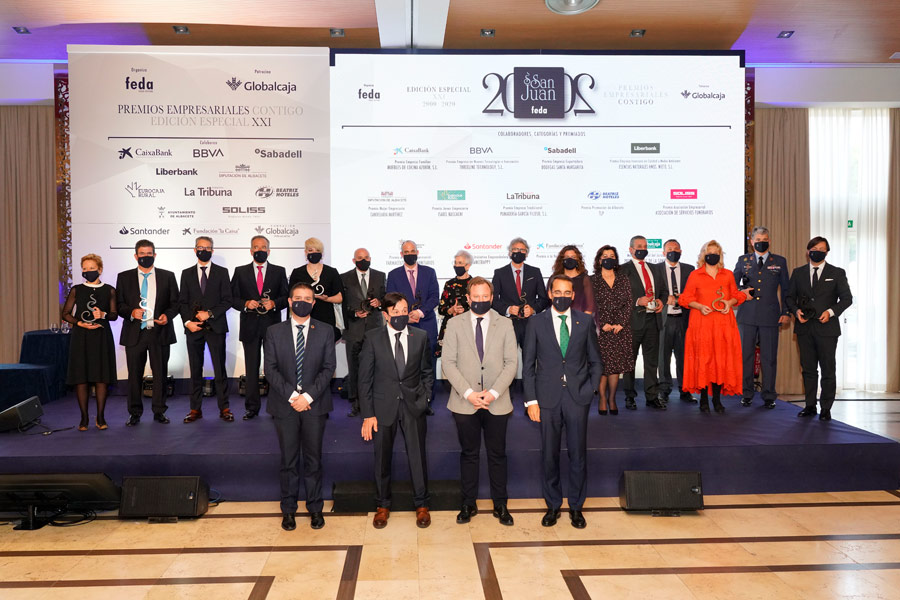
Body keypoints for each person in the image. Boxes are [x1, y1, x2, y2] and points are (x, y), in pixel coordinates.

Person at [523, 275, 602, 529]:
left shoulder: (585, 321)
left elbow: (596, 361)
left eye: (567, 293)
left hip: (578, 397)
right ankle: (553, 505)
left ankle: (576, 507)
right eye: (557, 292)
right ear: (549, 293)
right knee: (550, 455)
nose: (562, 296)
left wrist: (590, 389)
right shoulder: (536, 322)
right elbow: (528, 366)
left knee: (578, 455)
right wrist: (531, 401)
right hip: (547, 398)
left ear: (573, 295)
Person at [441, 277, 518, 526]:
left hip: (497, 401)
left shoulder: (505, 323)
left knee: (497, 454)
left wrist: (493, 393)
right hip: (465, 402)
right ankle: (468, 503)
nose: (481, 301)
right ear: (468, 298)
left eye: (485, 297)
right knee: (469, 454)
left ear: (492, 298)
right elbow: (448, 363)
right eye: (476, 297)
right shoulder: (454, 324)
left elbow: (511, 363)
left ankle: (500, 504)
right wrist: (469, 393)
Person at [263, 282, 336, 531]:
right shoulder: (274, 331)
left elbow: (329, 368)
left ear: (313, 303)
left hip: (315, 405)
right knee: (289, 461)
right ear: (290, 301)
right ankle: (289, 510)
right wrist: (294, 396)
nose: (302, 302)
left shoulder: (326, 330)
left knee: (314, 460)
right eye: (298, 298)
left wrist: (308, 397)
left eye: (307, 298)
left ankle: (315, 508)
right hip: (285, 405)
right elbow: (270, 369)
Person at [358, 292, 434, 530]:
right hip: (383, 407)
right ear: (385, 314)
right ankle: (382, 505)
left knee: (417, 456)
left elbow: (427, 372)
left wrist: (425, 398)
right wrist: (368, 414)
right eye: (396, 312)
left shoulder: (420, 336)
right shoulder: (372, 338)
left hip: (413, 405)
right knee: (382, 458)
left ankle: (422, 504)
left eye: (404, 311)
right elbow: (364, 379)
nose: (401, 315)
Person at [785, 237, 853, 421]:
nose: (818, 251)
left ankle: (826, 408)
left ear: (827, 252)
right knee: (808, 369)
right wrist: (796, 311)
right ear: (808, 251)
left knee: (828, 370)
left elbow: (847, 299)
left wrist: (831, 312)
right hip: (804, 327)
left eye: (822, 249)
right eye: (815, 248)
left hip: (827, 329)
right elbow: (789, 297)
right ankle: (810, 406)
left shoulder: (837, 273)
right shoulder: (798, 272)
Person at [115, 239, 179, 426]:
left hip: (159, 332)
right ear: (136, 256)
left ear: (155, 255)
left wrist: (167, 316)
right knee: (134, 376)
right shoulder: (124, 277)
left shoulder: (168, 276)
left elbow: (175, 303)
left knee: (160, 374)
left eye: (149, 253)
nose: (145, 257)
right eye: (142, 254)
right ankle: (134, 413)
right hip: (135, 334)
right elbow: (119, 305)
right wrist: (131, 312)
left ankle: (159, 411)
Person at [679, 240, 746, 413]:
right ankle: (703, 400)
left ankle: (717, 400)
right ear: (703, 255)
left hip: (723, 325)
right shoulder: (695, 275)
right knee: (704, 361)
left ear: (720, 255)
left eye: (716, 253)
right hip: (701, 324)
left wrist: (729, 302)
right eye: (709, 252)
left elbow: (737, 295)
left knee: (719, 362)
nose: (713, 256)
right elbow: (685, 299)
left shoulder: (728, 275)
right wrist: (699, 306)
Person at [230, 235, 289, 420]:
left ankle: (275, 407)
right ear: (251, 251)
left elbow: (286, 297)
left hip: (272, 327)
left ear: (269, 251)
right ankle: (252, 408)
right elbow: (231, 298)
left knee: (274, 368)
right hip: (250, 327)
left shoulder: (279, 271)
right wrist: (246, 303)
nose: (260, 250)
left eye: (263, 247)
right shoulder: (240, 271)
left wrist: (274, 303)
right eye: (256, 247)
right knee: (251, 368)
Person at [732, 226, 790, 409]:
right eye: (757, 240)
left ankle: (769, 395)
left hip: (770, 316)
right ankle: (746, 393)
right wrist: (742, 291)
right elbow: (732, 284)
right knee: (746, 357)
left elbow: (786, 289)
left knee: (769, 358)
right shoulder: (743, 260)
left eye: (764, 239)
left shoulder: (779, 261)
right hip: (747, 316)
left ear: (769, 241)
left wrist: (786, 312)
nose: (761, 242)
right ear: (752, 242)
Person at [179, 236, 234, 423]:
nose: (204, 250)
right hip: (193, 329)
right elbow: (182, 302)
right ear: (195, 250)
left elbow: (228, 300)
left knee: (220, 369)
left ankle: (224, 408)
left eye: (208, 248)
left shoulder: (222, 272)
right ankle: (195, 409)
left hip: (216, 327)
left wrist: (209, 313)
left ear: (212, 250)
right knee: (195, 370)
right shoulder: (186, 273)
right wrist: (188, 322)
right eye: (200, 247)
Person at [61, 254, 117, 430]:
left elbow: (114, 315)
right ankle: (84, 418)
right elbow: (66, 313)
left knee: (101, 377)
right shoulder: (76, 289)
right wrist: (79, 323)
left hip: (101, 337)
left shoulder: (109, 290)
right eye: (84, 269)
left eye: (91, 268)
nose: (88, 271)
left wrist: (103, 315)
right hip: (81, 337)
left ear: (100, 269)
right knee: (81, 377)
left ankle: (100, 417)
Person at [385, 240, 440, 414]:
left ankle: (427, 400)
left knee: (428, 364)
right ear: (401, 254)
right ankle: (407, 400)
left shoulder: (429, 272)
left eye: (412, 251)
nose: (410, 254)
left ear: (417, 252)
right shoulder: (393, 275)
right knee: (407, 363)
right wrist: (405, 316)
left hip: (427, 323)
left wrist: (420, 312)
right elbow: (390, 299)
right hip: (403, 325)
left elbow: (434, 297)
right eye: (406, 252)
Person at [620, 235, 665, 410]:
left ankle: (652, 396)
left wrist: (661, 301)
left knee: (652, 362)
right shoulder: (623, 270)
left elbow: (663, 291)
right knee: (629, 362)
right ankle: (629, 397)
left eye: (645, 246)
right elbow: (619, 296)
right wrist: (637, 301)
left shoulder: (655, 268)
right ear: (631, 249)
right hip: (633, 321)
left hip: (653, 320)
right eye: (639, 246)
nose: (643, 249)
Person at [339, 247, 385, 417]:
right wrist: (354, 313)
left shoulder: (380, 276)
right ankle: (356, 404)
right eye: (360, 257)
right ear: (354, 260)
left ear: (370, 258)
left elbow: (386, 299)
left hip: (375, 329)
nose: (363, 260)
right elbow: (341, 305)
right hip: (353, 329)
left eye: (366, 257)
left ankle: (375, 402)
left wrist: (379, 302)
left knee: (376, 367)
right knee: (354, 368)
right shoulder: (344, 277)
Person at [589, 245, 634, 415]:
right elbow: (590, 304)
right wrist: (601, 323)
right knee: (602, 366)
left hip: (619, 330)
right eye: (605, 255)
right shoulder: (592, 280)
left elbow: (629, 302)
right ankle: (602, 398)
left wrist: (621, 323)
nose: (608, 258)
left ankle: (612, 398)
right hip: (600, 330)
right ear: (599, 260)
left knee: (615, 366)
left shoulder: (623, 279)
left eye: (612, 256)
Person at [652, 239, 696, 404]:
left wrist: (681, 298)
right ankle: (664, 390)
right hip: (664, 319)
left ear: (681, 251)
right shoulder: (655, 269)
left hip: (683, 320)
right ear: (663, 253)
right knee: (663, 358)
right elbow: (651, 291)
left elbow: (694, 293)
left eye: (676, 249)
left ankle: (685, 390)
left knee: (684, 357)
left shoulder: (689, 269)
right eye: (669, 249)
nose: (673, 251)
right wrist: (664, 299)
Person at [492, 237, 549, 347]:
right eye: (515, 249)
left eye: (522, 250)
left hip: (530, 324)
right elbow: (493, 300)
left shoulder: (535, 272)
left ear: (526, 254)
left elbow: (544, 299)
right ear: (510, 252)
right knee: (508, 355)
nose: (519, 252)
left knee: (530, 355)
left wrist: (533, 310)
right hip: (507, 323)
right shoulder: (499, 273)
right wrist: (508, 309)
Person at [288, 237, 344, 342]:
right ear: (305, 252)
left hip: (327, 317)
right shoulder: (297, 272)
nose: (314, 253)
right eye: (310, 250)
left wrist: (327, 299)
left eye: (317, 250)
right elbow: (291, 297)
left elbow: (340, 297)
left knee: (326, 347)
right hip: (303, 317)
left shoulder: (331, 272)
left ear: (322, 253)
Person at [436, 250, 474, 358]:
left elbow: (481, 307)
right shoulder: (449, 284)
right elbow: (441, 309)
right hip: (451, 327)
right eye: (455, 263)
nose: (457, 266)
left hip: (470, 328)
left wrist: (467, 310)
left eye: (460, 263)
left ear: (468, 266)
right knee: (449, 359)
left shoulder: (475, 284)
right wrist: (451, 310)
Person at [551, 245, 594, 314]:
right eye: (567, 257)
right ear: (562, 260)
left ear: (578, 260)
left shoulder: (585, 279)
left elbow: (590, 306)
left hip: (580, 318)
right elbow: (549, 301)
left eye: (573, 257)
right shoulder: (554, 278)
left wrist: (583, 319)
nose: (570, 259)